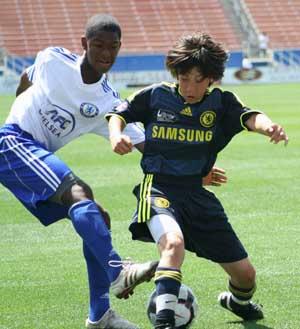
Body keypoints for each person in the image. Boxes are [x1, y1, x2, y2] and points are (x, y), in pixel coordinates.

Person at [106, 32, 289, 329]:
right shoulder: (155, 95)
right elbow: (119, 113)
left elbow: (250, 117)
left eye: (198, 79)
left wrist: (269, 128)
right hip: (159, 188)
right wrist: (116, 135)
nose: (189, 87)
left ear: (212, 79)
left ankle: (237, 302)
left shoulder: (220, 103)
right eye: (184, 78)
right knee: (173, 245)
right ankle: (165, 322)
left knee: (246, 276)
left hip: (198, 195)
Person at [0, 14, 162, 329]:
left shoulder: (107, 102)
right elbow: (26, 75)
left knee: (97, 216)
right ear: (84, 44)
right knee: (79, 193)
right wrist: (19, 106)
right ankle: (118, 271)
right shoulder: (53, 60)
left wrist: (196, 168)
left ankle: (99, 315)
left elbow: (148, 146)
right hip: (11, 141)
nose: (105, 53)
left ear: (120, 48)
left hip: (33, 153)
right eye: (98, 45)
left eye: (112, 47)